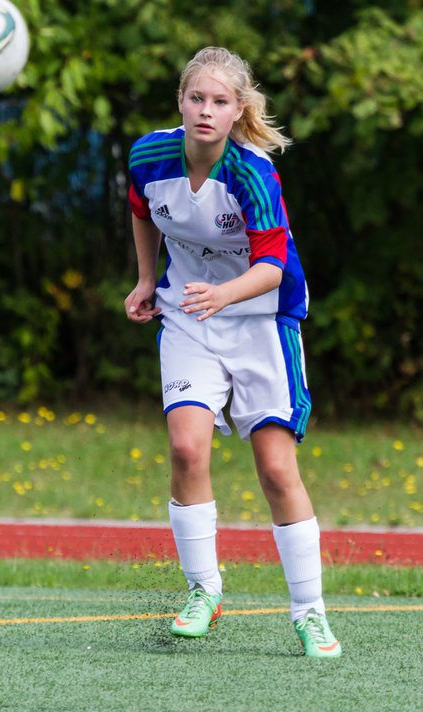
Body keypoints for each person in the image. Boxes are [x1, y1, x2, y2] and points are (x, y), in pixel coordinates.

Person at [123, 46, 341, 658]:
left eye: (220, 101)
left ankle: (310, 612)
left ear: (237, 110)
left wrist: (223, 294)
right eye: (197, 98)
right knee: (186, 446)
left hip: (262, 322)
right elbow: (141, 210)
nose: (206, 111)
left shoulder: (252, 173)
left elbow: (273, 266)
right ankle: (204, 591)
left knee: (276, 469)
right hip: (191, 315)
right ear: (182, 103)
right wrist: (146, 280)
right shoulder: (148, 155)